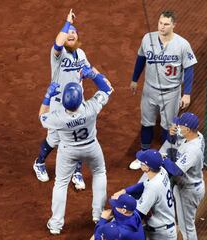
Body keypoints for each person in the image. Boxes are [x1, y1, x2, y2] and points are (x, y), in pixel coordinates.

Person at [33, 9, 101, 190]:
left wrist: (100, 79)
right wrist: (68, 22)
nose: (71, 33)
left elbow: (90, 69)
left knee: (78, 134)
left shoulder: (82, 54)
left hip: (78, 102)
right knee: (54, 138)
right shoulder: (58, 54)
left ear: (78, 38)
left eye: (74, 32)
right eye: (68, 32)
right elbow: (58, 42)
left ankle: (77, 171)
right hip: (57, 102)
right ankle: (39, 162)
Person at [39, 67, 113, 234]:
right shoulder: (91, 107)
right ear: (80, 99)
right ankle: (98, 214)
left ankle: (56, 224)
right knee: (99, 173)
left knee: (61, 183)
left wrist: (47, 96)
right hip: (91, 146)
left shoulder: (58, 117)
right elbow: (107, 88)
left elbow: (41, 116)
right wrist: (94, 75)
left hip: (68, 151)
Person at [129, 10, 197, 170]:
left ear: (174, 25)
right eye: (160, 23)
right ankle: (144, 154)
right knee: (146, 123)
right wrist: (134, 79)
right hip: (149, 89)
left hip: (171, 92)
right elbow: (141, 58)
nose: (162, 27)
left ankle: (168, 155)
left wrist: (186, 93)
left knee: (169, 126)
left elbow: (189, 69)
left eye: (166, 24)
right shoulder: (148, 38)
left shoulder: (182, 44)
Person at [113, 149, 177, 239]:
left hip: (161, 234)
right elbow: (144, 184)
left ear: (147, 168)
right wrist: (125, 191)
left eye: (141, 162)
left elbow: (138, 215)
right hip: (162, 227)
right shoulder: (161, 171)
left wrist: (116, 211)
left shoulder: (153, 187)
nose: (140, 162)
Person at [165, 112, 205, 240]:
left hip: (189, 190)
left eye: (180, 125)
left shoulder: (193, 149)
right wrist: (170, 134)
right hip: (186, 185)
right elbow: (173, 140)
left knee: (187, 228)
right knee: (185, 224)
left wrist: (163, 159)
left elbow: (176, 171)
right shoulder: (195, 135)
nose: (177, 127)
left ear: (187, 129)